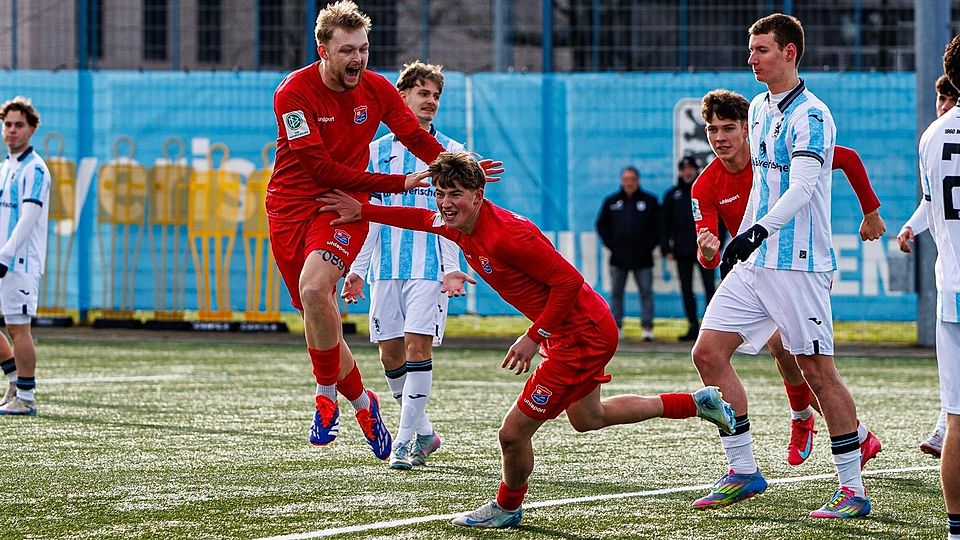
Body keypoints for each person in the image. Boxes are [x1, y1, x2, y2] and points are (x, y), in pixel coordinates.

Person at [319, 152, 737, 529]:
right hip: (573, 331)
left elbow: (568, 282)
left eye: (457, 194)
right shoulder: (457, 223)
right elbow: (416, 218)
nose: (445, 203)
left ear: (479, 194)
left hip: (581, 335)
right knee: (588, 418)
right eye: (440, 193)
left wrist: (533, 336)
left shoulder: (507, 234)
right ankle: (696, 403)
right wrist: (364, 211)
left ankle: (507, 505)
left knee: (513, 433)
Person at [266, 0, 499, 460]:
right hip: (290, 209)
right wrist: (400, 182)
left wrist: (460, 168)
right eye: (348, 50)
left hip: (344, 210)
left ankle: (326, 396)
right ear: (323, 51)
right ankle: (362, 401)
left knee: (316, 294)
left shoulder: (375, 89)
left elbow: (417, 138)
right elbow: (317, 165)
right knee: (321, 315)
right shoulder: (292, 93)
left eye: (364, 49)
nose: (359, 59)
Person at [690, 14, 871, 518]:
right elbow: (764, 189)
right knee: (708, 354)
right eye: (751, 50)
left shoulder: (811, 115)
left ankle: (852, 489)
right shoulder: (761, 109)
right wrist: (742, 240)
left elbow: (803, 187)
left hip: (799, 264)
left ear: (790, 53)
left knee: (817, 371)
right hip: (758, 262)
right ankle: (743, 470)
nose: (752, 58)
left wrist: (756, 231)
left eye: (762, 50)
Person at [342, 60, 464, 470]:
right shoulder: (375, 151)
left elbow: (457, 214)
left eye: (436, 96)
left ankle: (406, 442)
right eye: (423, 94)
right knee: (390, 355)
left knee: (417, 347)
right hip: (385, 267)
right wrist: (358, 269)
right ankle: (426, 432)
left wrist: (451, 266)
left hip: (429, 267)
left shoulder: (451, 154)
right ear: (402, 97)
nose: (431, 102)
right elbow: (370, 213)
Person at [898, 72, 959, 460]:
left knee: (955, 400)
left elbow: (934, 199)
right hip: (951, 279)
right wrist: (912, 225)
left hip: (952, 284)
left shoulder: (932, 138)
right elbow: (931, 201)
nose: (941, 104)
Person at [913, 34, 960, 540]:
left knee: (957, 420)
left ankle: (955, 530)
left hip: (953, 292)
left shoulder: (932, 135)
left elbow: (932, 203)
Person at [0, 96, 51, 416]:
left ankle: (27, 399)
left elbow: (28, 218)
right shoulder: (6, 167)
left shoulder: (36, 169)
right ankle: (14, 381)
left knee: (19, 327)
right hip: (2, 259)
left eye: (19, 125)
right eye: (8, 125)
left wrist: (5, 255)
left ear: (32, 129)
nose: (12, 130)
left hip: (19, 262)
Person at [595, 166, 660, 341]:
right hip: (619, 257)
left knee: (646, 292)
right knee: (616, 293)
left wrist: (649, 245)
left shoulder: (650, 201)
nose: (629, 183)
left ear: (637, 181)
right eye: (626, 179)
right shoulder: (612, 202)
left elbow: (658, 227)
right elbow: (601, 225)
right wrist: (613, 245)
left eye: (632, 179)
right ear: (621, 181)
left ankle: (647, 328)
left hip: (643, 257)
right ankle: (616, 327)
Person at [662, 156, 715, 341]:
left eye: (690, 168)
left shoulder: (705, 190)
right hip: (682, 249)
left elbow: (720, 217)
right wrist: (666, 248)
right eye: (684, 169)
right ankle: (692, 325)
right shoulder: (673, 195)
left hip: (706, 249)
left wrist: (717, 241)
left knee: (710, 288)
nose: (687, 172)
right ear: (680, 171)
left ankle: (711, 327)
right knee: (686, 289)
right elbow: (664, 224)